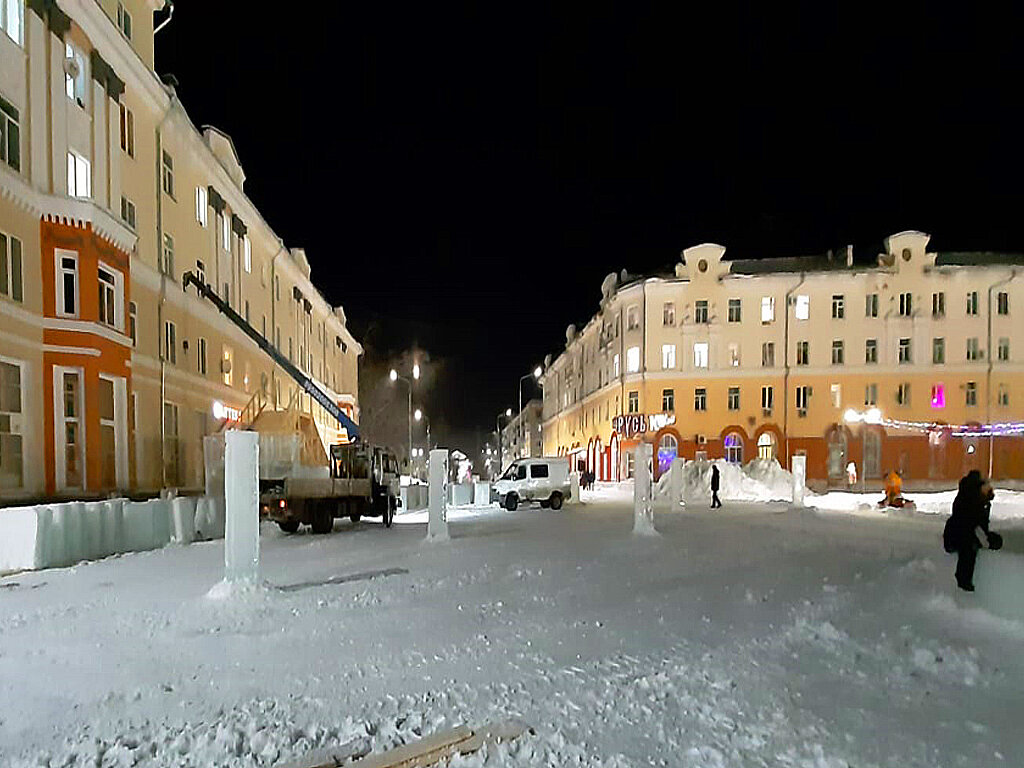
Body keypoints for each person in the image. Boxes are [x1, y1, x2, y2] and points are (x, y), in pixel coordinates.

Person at [943, 470, 1000, 592]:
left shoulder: (973, 498)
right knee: (968, 549)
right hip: (959, 536)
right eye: (987, 488)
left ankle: (964, 583)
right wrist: (986, 541)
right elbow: (973, 525)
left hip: (960, 532)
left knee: (986, 541)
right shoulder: (972, 501)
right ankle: (964, 585)